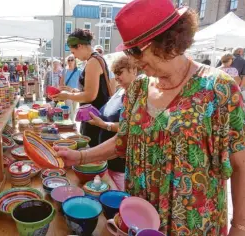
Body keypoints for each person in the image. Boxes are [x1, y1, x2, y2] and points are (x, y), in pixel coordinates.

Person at [54, 0, 245, 235]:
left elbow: (240, 165)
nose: (133, 60)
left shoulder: (219, 88)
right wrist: (80, 156)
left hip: (193, 223)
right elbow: (123, 141)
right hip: (139, 217)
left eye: (135, 51)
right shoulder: (138, 88)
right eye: (128, 51)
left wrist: (239, 226)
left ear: (168, 40)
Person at [52, 29, 113, 147]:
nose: (74, 56)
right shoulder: (96, 59)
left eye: (73, 52)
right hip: (95, 116)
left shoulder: (93, 62)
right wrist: (73, 91)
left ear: (80, 46)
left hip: (94, 118)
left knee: (92, 155)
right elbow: (93, 90)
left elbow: (90, 96)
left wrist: (67, 95)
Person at [87, 55, 137, 190]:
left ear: (134, 70)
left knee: (118, 196)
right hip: (108, 158)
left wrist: (103, 125)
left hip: (119, 162)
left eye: (120, 72)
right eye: (115, 73)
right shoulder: (121, 91)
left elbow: (130, 127)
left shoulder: (137, 96)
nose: (116, 77)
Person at [60, 54, 82, 120]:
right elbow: (61, 82)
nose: (70, 61)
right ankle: (71, 123)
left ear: (75, 61)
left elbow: (81, 83)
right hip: (67, 93)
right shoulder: (65, 71)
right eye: (68, 60)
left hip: (75, 92)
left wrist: (79, 91)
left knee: (73, 109)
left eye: (72, 60)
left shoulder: (79, 71)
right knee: (69, 109)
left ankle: (71, 123)